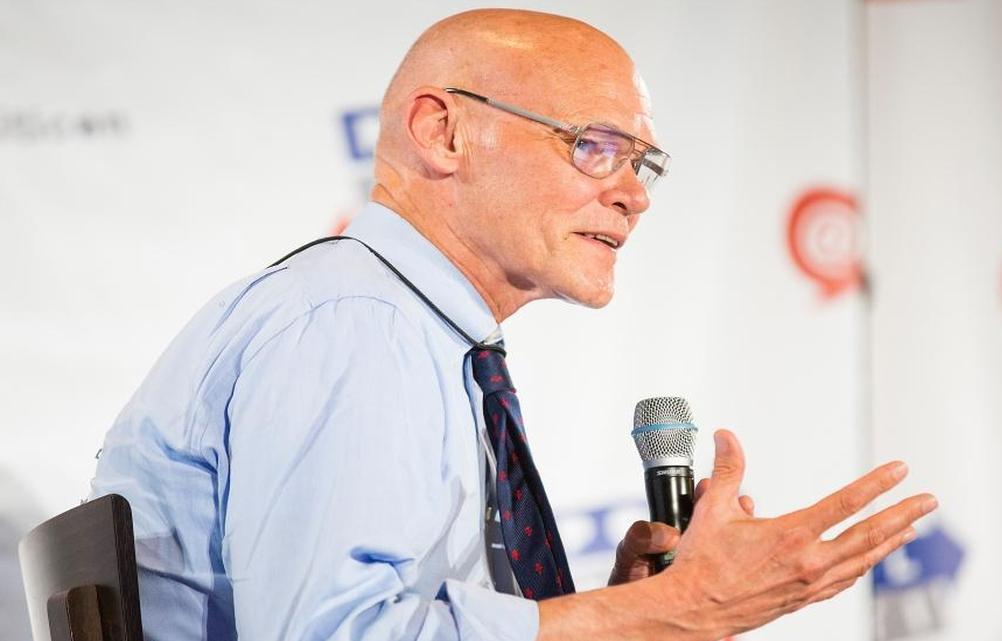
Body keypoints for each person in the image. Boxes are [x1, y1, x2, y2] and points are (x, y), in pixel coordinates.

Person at [89, 8, 937, 641]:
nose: (634, 193)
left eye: (643, 163)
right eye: (595, 146)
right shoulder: (357, 324)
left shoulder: (402, 326)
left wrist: (619, 608)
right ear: (442, 132)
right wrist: (672, 608)